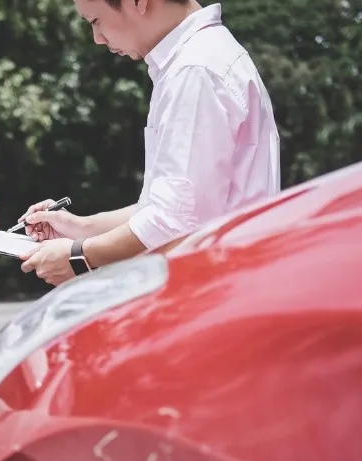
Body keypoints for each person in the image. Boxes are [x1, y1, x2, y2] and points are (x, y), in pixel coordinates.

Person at [19, 0, 280, 286]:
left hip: (217, 290)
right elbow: (173, 206)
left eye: (95, 21)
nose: (97, 39)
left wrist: (80, 256)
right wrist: (83, 227)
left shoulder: (194, 70)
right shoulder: (194, 60)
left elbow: (174, 220)